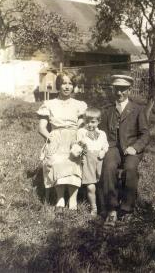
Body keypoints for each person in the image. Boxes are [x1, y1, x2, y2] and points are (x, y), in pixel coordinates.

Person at [100, 74, 150, 226]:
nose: (119, 93)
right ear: (112, 89)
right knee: (108, 167)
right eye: (116, 89)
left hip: (131, 148)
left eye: (123, 90)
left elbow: (145, 133)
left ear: (129, 90)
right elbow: (101, 132)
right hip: (112, 147)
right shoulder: (107, 110)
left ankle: (127, 208)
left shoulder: (138, 109)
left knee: (130, 169)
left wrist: (135, 148)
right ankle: (112, 208)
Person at [37, 72, 87, 210]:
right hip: (56, 137)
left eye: (70, 83)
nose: (67, 86)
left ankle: (72, 199)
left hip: (73, 138)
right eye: (64, 83)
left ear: (73, 86)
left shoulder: (79, 104)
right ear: (59, 85)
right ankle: (60, 198)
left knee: (74, 160)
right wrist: (50, 138)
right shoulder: (49, 104)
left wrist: (78, 142)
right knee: (57, 159)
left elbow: (81, 126)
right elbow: (41, 128)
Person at [77, 107, 109, 216]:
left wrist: (103, 151)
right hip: (87, 160)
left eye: (93, 122)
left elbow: (105, 145)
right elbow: (78, 145)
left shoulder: (102, 134)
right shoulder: (81, 132)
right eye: (87, 121)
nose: (90, 125)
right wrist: (81, 153)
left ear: (99, 121)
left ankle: (103, 207)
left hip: (99, 160)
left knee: (100, 184)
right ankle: (94, 208)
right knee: (90, 186)